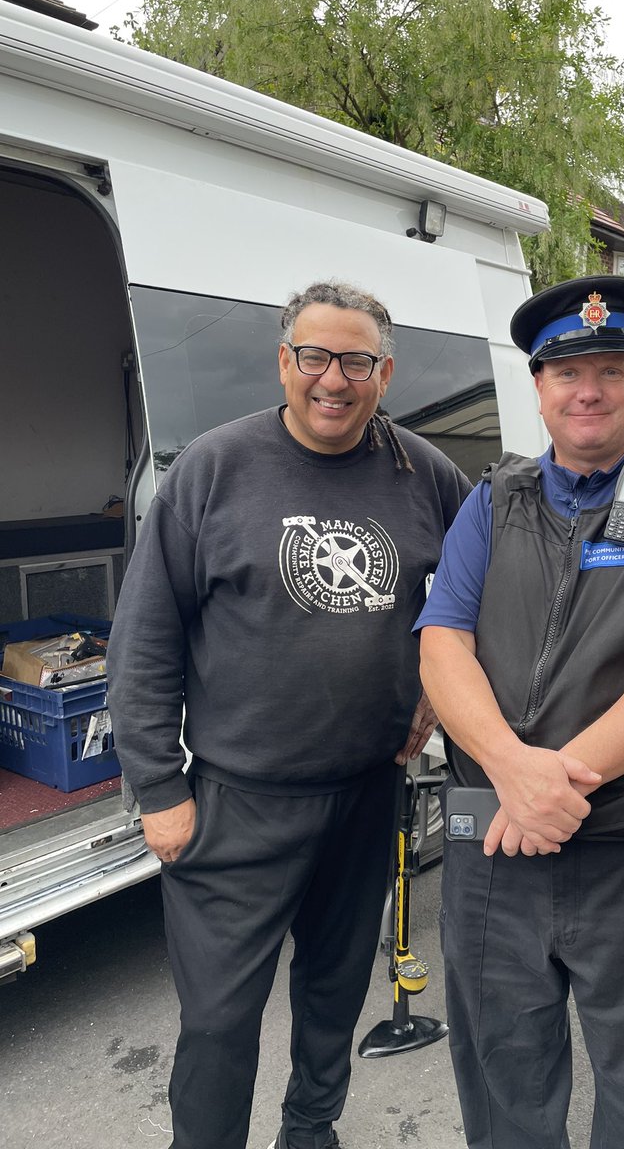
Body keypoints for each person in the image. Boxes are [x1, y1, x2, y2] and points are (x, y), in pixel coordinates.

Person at [107, 280, 471, 1149]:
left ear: (386, 371)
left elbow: (484, 584)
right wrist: (159, 786)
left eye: (356, 361)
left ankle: (311, 1130)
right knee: (219, 1020)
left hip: (365, 793)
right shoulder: (215, 468)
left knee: (334, 992)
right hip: (237, 803)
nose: (333, 380)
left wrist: (439, 677)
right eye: (315, 356)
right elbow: (144, 637)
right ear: (285, 363)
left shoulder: (425, 472)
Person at [417, 275, 624, 1149]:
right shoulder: (491, 504)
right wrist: (511, 770)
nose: (590, 389)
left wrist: (554, 783)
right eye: (569, 373)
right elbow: (442, 646)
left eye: (612, 367)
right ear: (539, 388)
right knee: (504, 1093)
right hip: (496, 851)